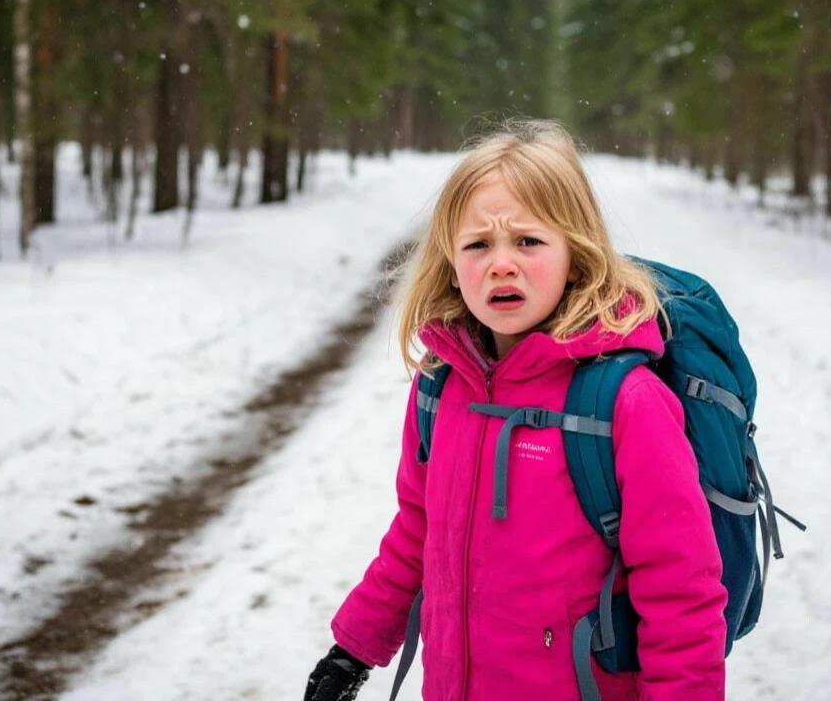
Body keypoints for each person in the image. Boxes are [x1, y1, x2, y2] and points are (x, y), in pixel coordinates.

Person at [305, 120, 727, 701]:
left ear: (575, 254)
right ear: (451, 262)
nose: (501, 264)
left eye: (527, 241)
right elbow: (418, 533)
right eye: (478, 245)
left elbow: (681, 594)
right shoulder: (442, 386)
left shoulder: (624, 403)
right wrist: (353, 648)